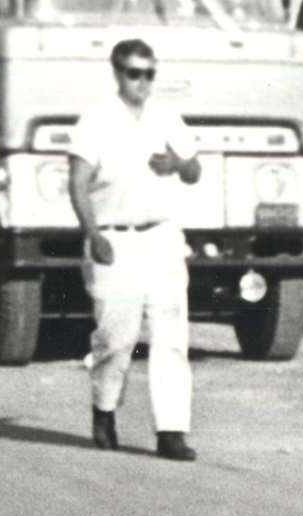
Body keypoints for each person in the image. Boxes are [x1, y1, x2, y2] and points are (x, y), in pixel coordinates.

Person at [68, 40, 199, 459]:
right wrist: (93, 234)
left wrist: (177, 164)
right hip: (114, 237)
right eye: (133, 73)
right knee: (116, 337)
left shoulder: (166, 117)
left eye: (149, 73)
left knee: (171, 336)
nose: (142, 82)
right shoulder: (97, 120)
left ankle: (172, 431)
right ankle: (104, 409)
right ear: (117, 72)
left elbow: (194, 170)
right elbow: (77, 181)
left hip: (160, 237)